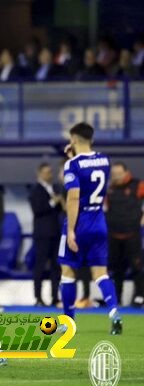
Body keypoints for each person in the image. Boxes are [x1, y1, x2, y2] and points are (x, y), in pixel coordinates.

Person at [58, 122, 122, 335]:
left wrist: (71, 230)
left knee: (68, 271)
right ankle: (113, 311)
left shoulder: (72, 165)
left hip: (80, 221)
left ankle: (68, 323)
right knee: (101, 273)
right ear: (91, 139)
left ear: (73, 139)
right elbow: (90, 173)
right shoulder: (104, 160)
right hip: (99, 222)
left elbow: (74, 196)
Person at [106, 162, 144, 307]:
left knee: (137, 267)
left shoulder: (138, 185)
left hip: (132, 234)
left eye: (118, 173)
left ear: (126, 172)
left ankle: (140, 297)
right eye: (113, 174)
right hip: (114, 235)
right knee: (116, 269)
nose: (116, 177)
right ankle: (117, 299)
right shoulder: (109, 189)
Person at [29, 163, 63, 306]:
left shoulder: (55, 188)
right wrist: (52, 202)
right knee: (40, 266)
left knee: (56, 266)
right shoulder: (35, 190)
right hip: (42, 234)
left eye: (50, 171)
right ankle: (38, 297)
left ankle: (55, 297)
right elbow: (38, 209)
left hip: (55, 232)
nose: (50, 174)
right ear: (40, 173)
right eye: (47, 172)